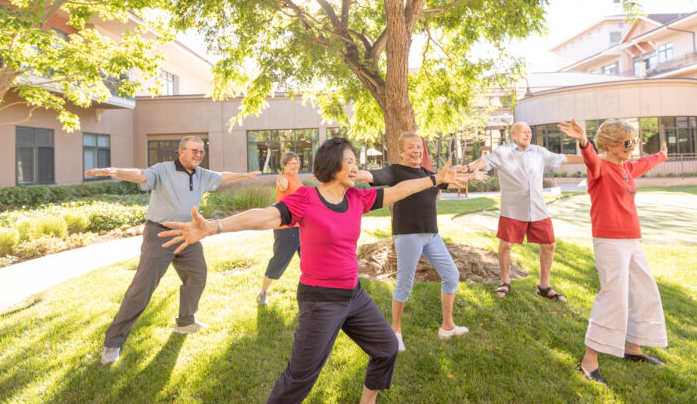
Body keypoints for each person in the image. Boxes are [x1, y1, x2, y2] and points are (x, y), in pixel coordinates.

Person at [160, 137, 467, 404]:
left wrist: (434, 179)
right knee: (300, 377)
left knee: (387, 347)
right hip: (320, 300)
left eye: (355, 161)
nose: (355, 167)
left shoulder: (357, 197)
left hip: (354, 295)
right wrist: (214, 226)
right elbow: (266, 217)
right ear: (331, 165)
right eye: (348, 161)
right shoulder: (307, 199)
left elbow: (398, 191)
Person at [85, 136, 260, 364]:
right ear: (181, 152)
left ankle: (186, 322)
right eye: (194, 151)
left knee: (197, 277)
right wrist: (113, 170)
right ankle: (113, 343)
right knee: (142, 289)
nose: (198, 155)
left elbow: (221, 176)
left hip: (188, 234)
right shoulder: (163, 170)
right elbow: (140, 174)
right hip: (159, 234)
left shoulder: (201, 174)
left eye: (201, 152)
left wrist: (242, 175)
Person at [558, 118, 668, 386]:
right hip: (609, 241)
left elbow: (646, 162)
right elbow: (590, 159)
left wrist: (662, 154)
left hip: (632, 240)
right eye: (627, 143)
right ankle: (589, 360)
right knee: (613, 298)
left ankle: (633, 348)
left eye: (634, 142)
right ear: (609, 143)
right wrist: (584, 142)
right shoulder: (600, 169)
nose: (632, 147)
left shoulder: (627, 167)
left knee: (646, 291)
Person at [355, 132, 468, 352]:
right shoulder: (396, 171)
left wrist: (469, 175)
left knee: (452, 275)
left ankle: (447, 327)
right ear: (401, 151)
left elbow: (449, 181)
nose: (416, 151)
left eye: (419, 147)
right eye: (411, 148)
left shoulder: (427, 173)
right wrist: (351, 172)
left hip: (431, 235)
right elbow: (372, 175)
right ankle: (395, 331)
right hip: (408, 235)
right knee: (405, 283)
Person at [466, 122, 582, 301]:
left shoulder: (539, 152)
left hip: (538, 208)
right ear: (513, 134)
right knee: (506, 245)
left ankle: (544, 286)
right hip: (512, 209)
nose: (528, 135)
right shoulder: (503, 152)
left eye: (529, 132)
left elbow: (563, 158)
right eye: (523, 132)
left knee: (549, 245)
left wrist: (591, 157)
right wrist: (466, 169)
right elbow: (483, 162)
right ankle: (505, 281)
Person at [257, 151, 303, 305]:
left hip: (300, 228)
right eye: (292, 163)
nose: (296, 165)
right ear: (284, 166)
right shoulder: (285, 179)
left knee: (311, 259)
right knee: (279, 261)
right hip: (286, 230)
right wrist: (281, 181)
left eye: (297, 162)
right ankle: (263, 292)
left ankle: (317, 290)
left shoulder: (296, 179)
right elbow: (283, 185)